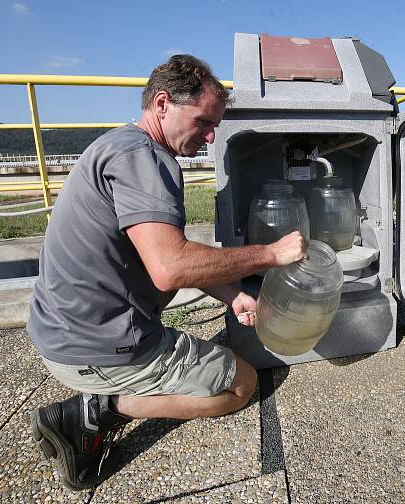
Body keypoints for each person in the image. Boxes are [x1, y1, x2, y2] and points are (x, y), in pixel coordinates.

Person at [26, 54, 306, 490]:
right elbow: (171, 266)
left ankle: (101, 395)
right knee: (242, 384)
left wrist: (232, 295)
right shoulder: (148, 160)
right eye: (203, 122)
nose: (212, 137)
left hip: (62, 331)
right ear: (162, 104)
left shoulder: (118, 145)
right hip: (97, 346)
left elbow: (162, 256)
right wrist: (271, 253)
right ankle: (96, 410)